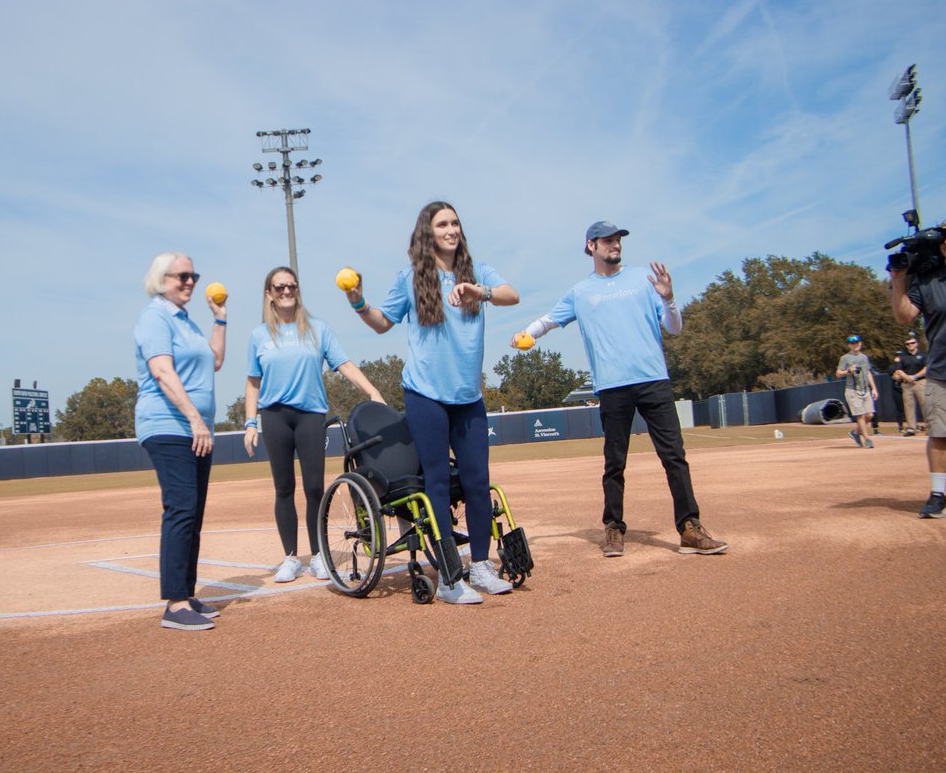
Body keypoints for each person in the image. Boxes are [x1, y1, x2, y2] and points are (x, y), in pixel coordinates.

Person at [513, 221, 728, 558]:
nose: (615, 245)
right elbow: (549, 320)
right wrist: (525, 333)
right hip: (613, 387)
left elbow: (674, 328)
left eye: (618, 240)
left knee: (674, 456)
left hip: (653, 380)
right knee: (615, 462)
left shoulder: (644, 279)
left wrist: (669, 298)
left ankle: (689, 527)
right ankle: (613, 528)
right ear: (591, 246)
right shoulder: (581, 292)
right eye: (608, 240)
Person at [344, 201, 520, 604]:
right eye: (443, 224)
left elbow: (513, 295)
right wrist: (357, 301)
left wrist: (482, 291)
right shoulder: (409, 278)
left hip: (468, 397)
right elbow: (381, 323)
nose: (451, 229)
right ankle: (449, 579)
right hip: (425, 395)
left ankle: (480, 565)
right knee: (437, 482)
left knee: (477, 481)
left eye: (456, 222)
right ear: (428, 232)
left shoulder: (478, 273)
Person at [243, 267, 385, 583]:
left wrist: (373, 390)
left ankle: (319, 555)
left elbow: (344, 364)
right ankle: (291, 558)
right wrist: (250, 422)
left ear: (297, 290)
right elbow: (253, 382)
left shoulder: (318, 329)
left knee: (314, 488)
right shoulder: (259, 335)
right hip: (275, 417)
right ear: (268, 293)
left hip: (310, 416)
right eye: (279, 287)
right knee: (283, 488)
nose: (285, 291)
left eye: (291, 286)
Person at [135, 252, 226, 631]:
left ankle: (186, 594)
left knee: (194, 513)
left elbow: (215, 360)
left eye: (194, 275)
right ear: (162, 279)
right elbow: (161, 371)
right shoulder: (155, 316)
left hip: (196, 428)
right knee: (181, 509)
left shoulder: (185, 320)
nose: (190, 282)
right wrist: (192, 417)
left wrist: (220, 318)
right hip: (168, 425)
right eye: (182, 276)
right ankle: (174, 604)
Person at [890, 216, 946, 519]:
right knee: (940, 433)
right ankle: (938, 495)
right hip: (945, 370)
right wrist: (898, 279)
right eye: (943, 237)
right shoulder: (930, 280)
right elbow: (904, 315)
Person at [836, 335, 878, 449]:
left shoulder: (864, 357)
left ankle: (855, 432)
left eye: (857, 342)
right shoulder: (845, 358)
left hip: (865, 389)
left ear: (860, 343)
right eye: (852, 343)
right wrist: (849, 370)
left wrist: (874, 388)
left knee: (869, 415)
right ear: (849, 345)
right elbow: (838, 373)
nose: (855, 345)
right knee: (860, 415)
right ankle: (867, 439)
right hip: (852, 390)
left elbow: (868, 373)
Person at [892, 334, 927, 435]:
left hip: (920, 382)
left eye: (912, 343)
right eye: (907, 344)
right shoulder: (903, 357)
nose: (910, 345)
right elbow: (899, 370)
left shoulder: (923, 355)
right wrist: (908, 378)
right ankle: (911, 427)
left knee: (925, 404)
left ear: (917, 344)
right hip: (907, 383)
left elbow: (926, 368)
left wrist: (915, 377)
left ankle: (930, 426)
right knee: (908, 406)